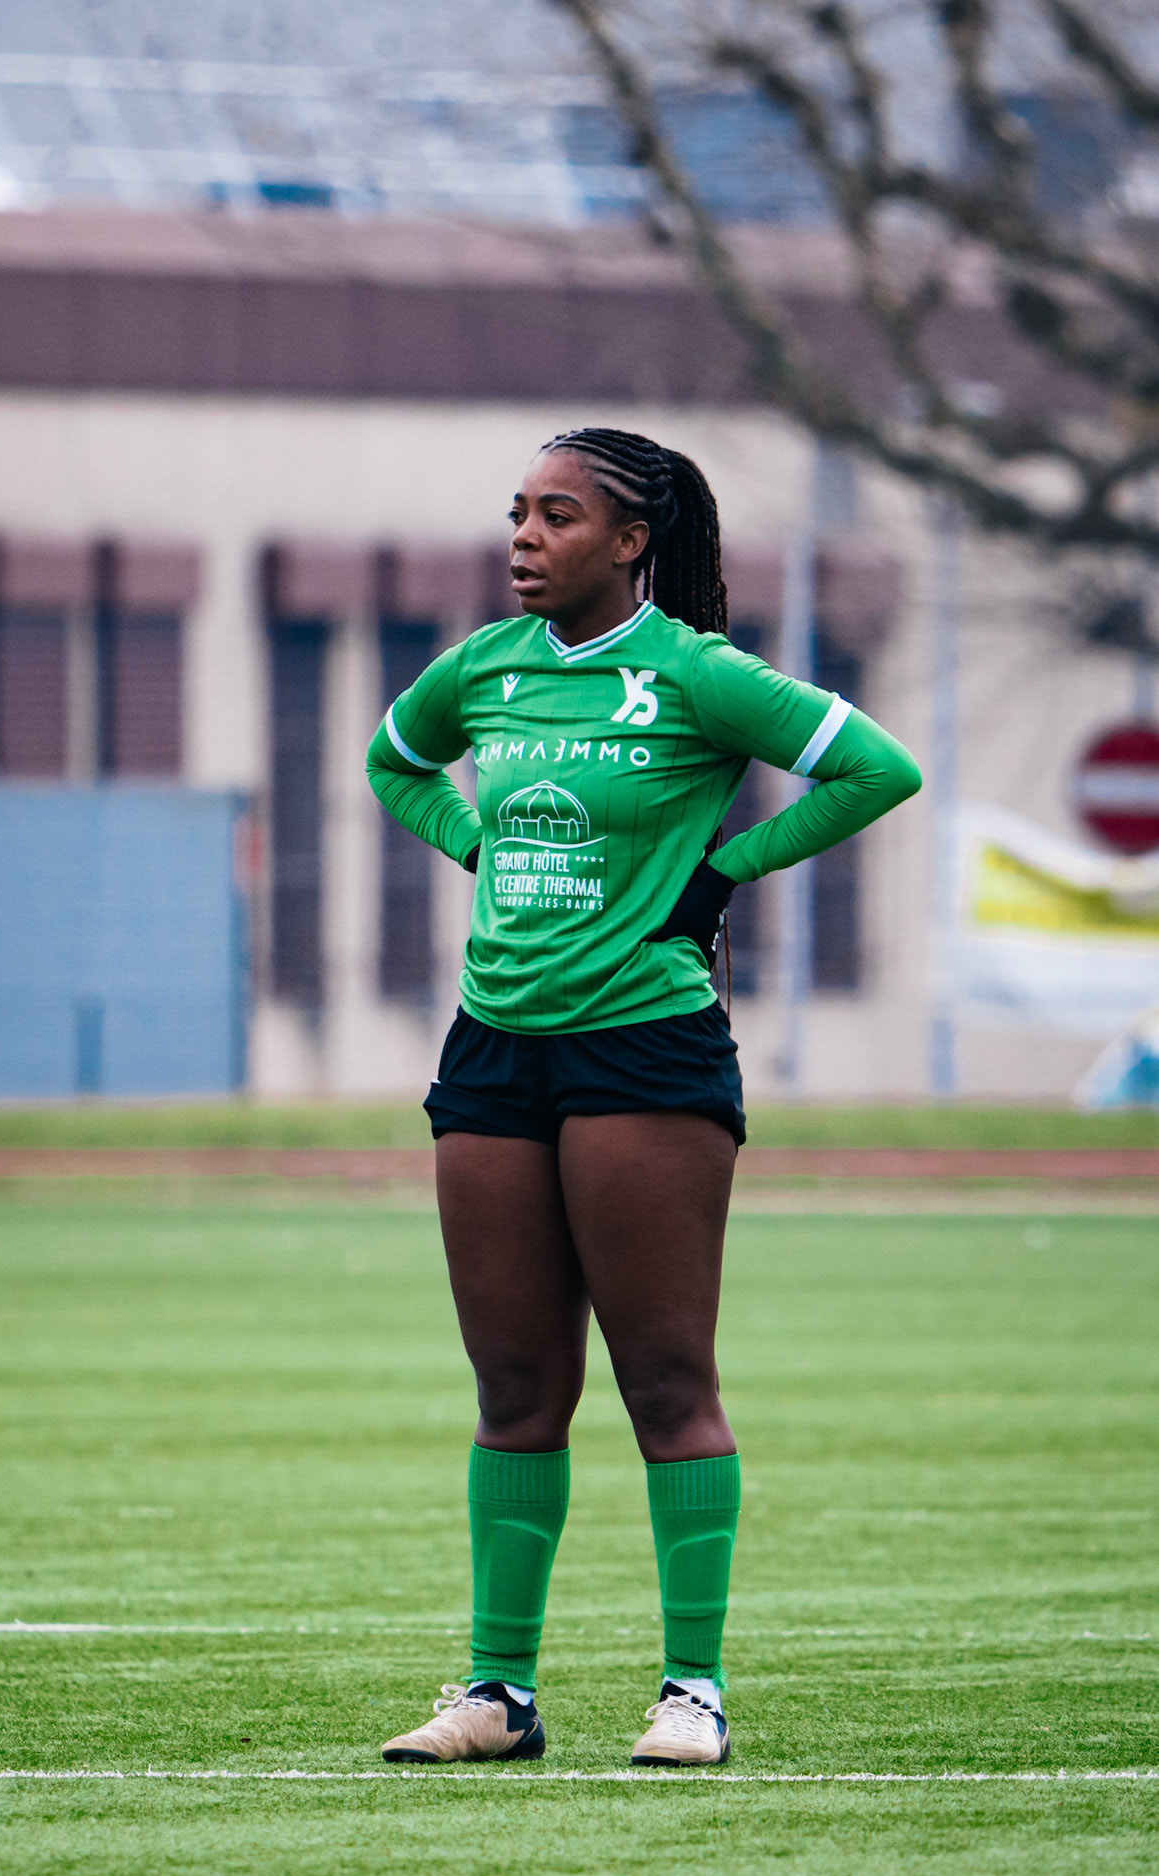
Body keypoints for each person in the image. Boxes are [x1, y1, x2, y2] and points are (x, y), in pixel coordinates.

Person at [365, 427, 921, 1767]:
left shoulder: (692, 672)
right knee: (512, 1385)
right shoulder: (481, 671)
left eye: (556, 516)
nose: (523, 537)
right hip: (493, 1051)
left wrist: (724, 871)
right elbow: (395, 764)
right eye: (516, 513)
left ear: (629, 543)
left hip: (644, 1052)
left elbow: (875, 769)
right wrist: (477, 841)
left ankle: (691, 1693)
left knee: (664, 1380)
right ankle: (496, 1695)